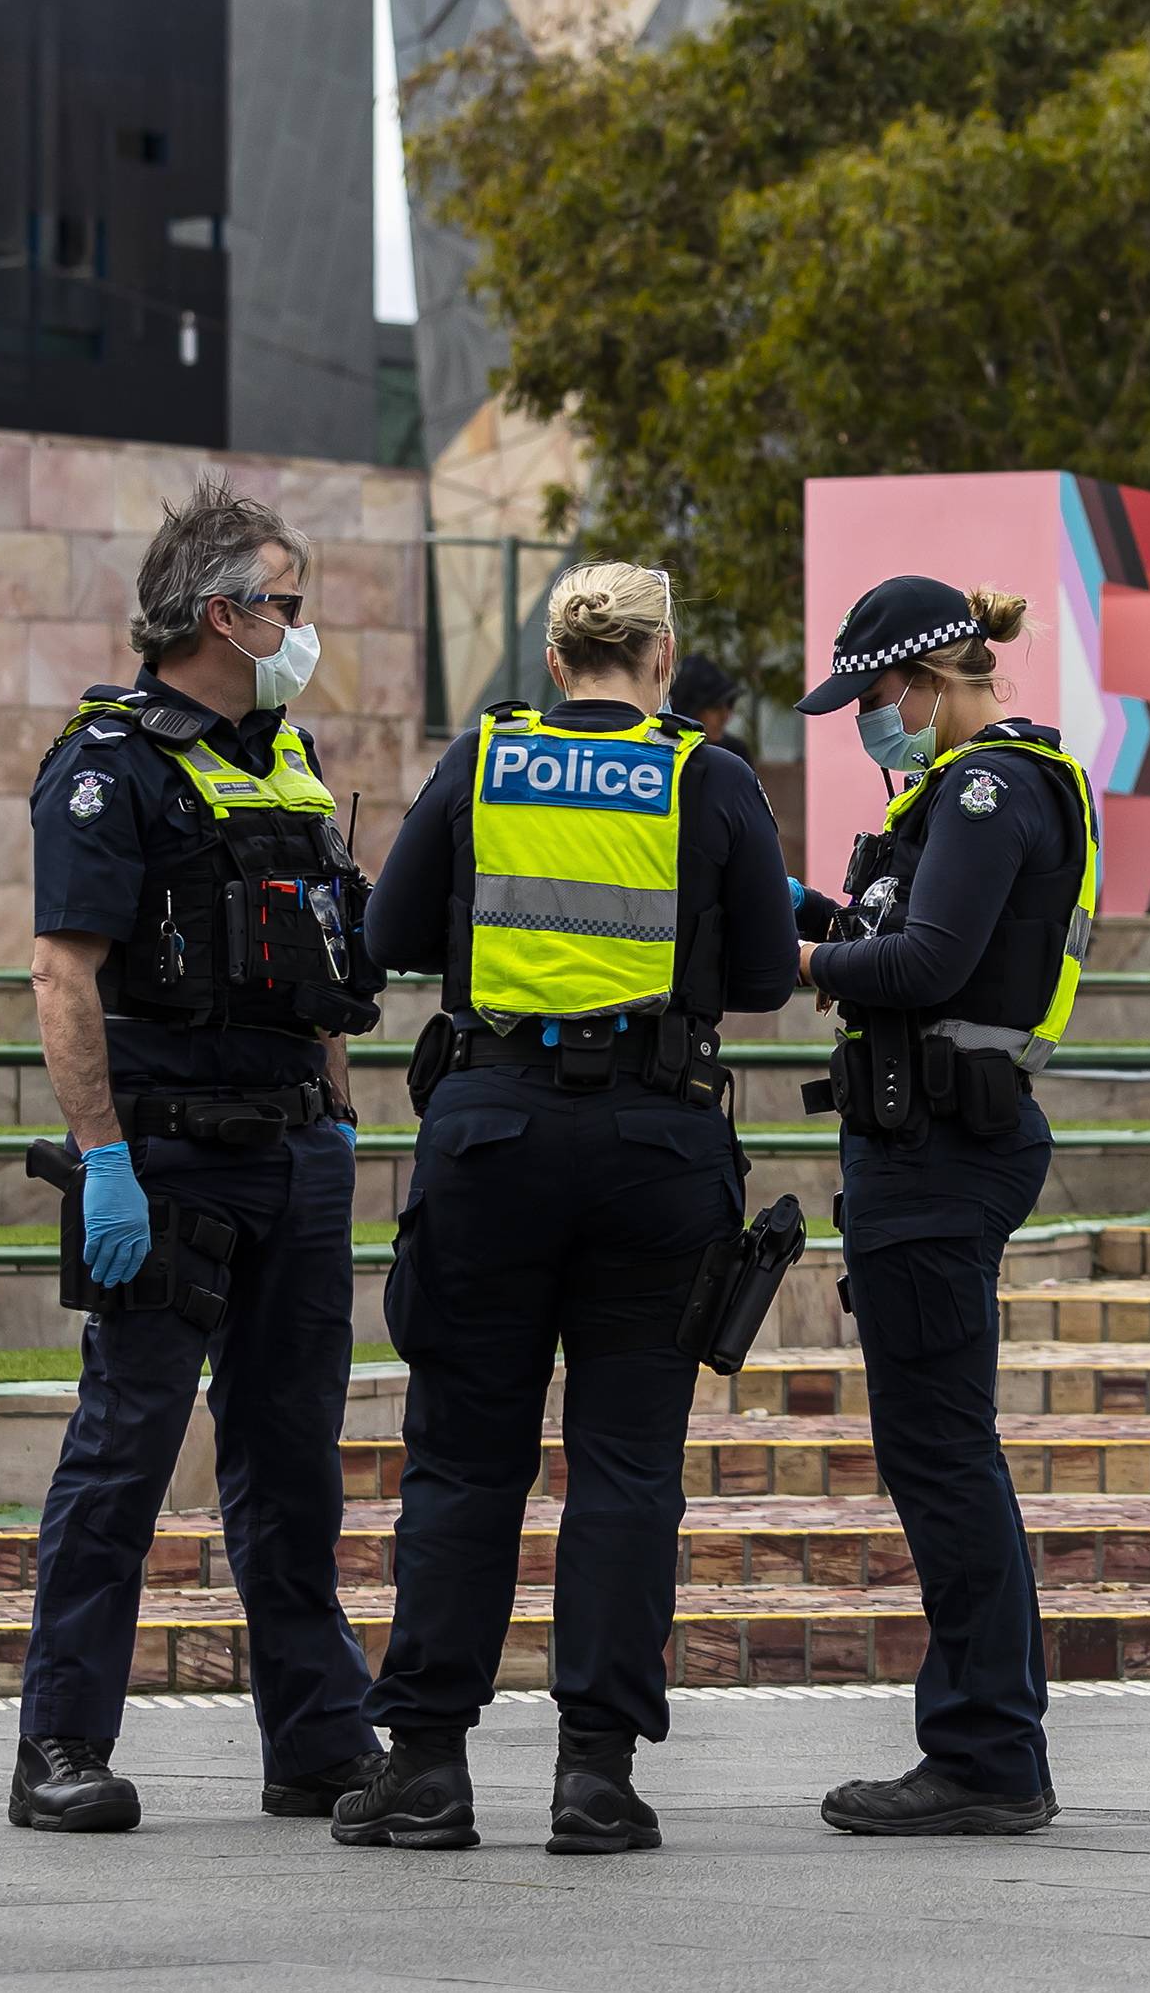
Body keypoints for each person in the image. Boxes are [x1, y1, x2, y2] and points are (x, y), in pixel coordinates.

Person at [337, 561, 795, 1855]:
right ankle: (596, 1774)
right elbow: (763, 969)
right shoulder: (705, 772)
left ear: (555, 660)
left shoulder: (484, 758)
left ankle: (425, 1765)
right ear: (661, 656)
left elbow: (385, 933)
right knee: (628, 1464)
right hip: (658, 1150)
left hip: (493, 1137)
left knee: (467, 1458)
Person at [12, 481, 386, 1835]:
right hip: (166, 1165)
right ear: (222, 612)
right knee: (124, 1453)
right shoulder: (110, 764)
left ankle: (322, 1744)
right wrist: (103, 1159)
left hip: (292, 1152)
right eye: (287, 600)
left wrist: (338, 1124)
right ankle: (59, 1741)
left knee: (292, 1468)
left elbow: (325, 975)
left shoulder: (285, 758)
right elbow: (64, 971)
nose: (303, 625)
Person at [790, 576, 1094, 1838]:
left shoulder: (983, 788)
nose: (870, 721)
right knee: (946, 1452)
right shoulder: (976, 788)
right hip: (935, 1143)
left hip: (939, 1154)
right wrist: (803, 906)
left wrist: (799, 959)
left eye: (874, 697)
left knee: (941, 1457)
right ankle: (992, 1735)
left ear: (927, 681)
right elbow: (893, 929)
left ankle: (982, 1750)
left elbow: (923, 963)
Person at [668, 652, 756, 763]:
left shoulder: (735, 754)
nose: (726, 716)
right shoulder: (661, 752)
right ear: (689, 712)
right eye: (715, 707)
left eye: (730, 704)